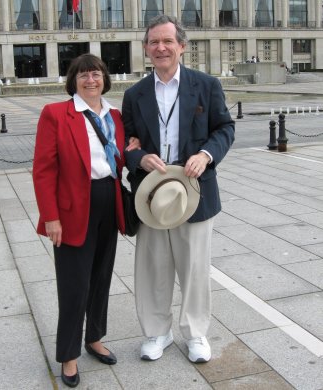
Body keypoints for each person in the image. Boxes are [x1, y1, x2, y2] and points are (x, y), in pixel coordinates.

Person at [122, 15, 235, 364]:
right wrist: (139, 158)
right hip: (152, 195)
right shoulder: (134, 94)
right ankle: (157, 332)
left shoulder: (206, 85)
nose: (161, 48)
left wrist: (205, 154)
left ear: (182, 46)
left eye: (167, 41)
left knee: (195, 268)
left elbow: (225, 129)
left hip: (195, 191)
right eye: (154, 42)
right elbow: (126, 144)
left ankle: (196, 333)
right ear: (145, 49)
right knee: (153, 267)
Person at [33, 53, 139, 388]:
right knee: (73, 284)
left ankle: (94, 337)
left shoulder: (115, 116)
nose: (90, 80)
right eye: (83, 75)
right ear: (73, 81)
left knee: (101, 277)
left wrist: (132, 148)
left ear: (105, 79)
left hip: (109, 202)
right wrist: (51, 217)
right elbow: (43, 170)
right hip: (72, 208)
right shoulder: (56, 114)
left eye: (95, 74)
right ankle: (68, 354)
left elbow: (120, 156)